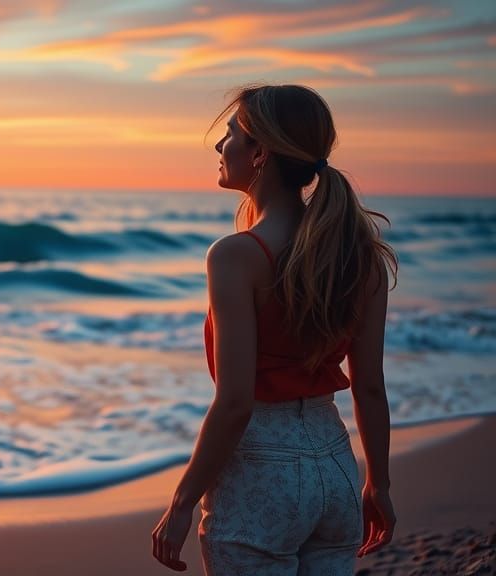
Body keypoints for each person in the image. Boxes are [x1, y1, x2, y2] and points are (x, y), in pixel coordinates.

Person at [151, 84, 398, 575]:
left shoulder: (236, 256)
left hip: (261, 473)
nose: (220, 145)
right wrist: (380, 485)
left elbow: (235, 403)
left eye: (230, 134)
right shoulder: (360, 256)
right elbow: (369, 386)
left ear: (260, 153)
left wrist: (181, 502)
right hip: (336, 465)